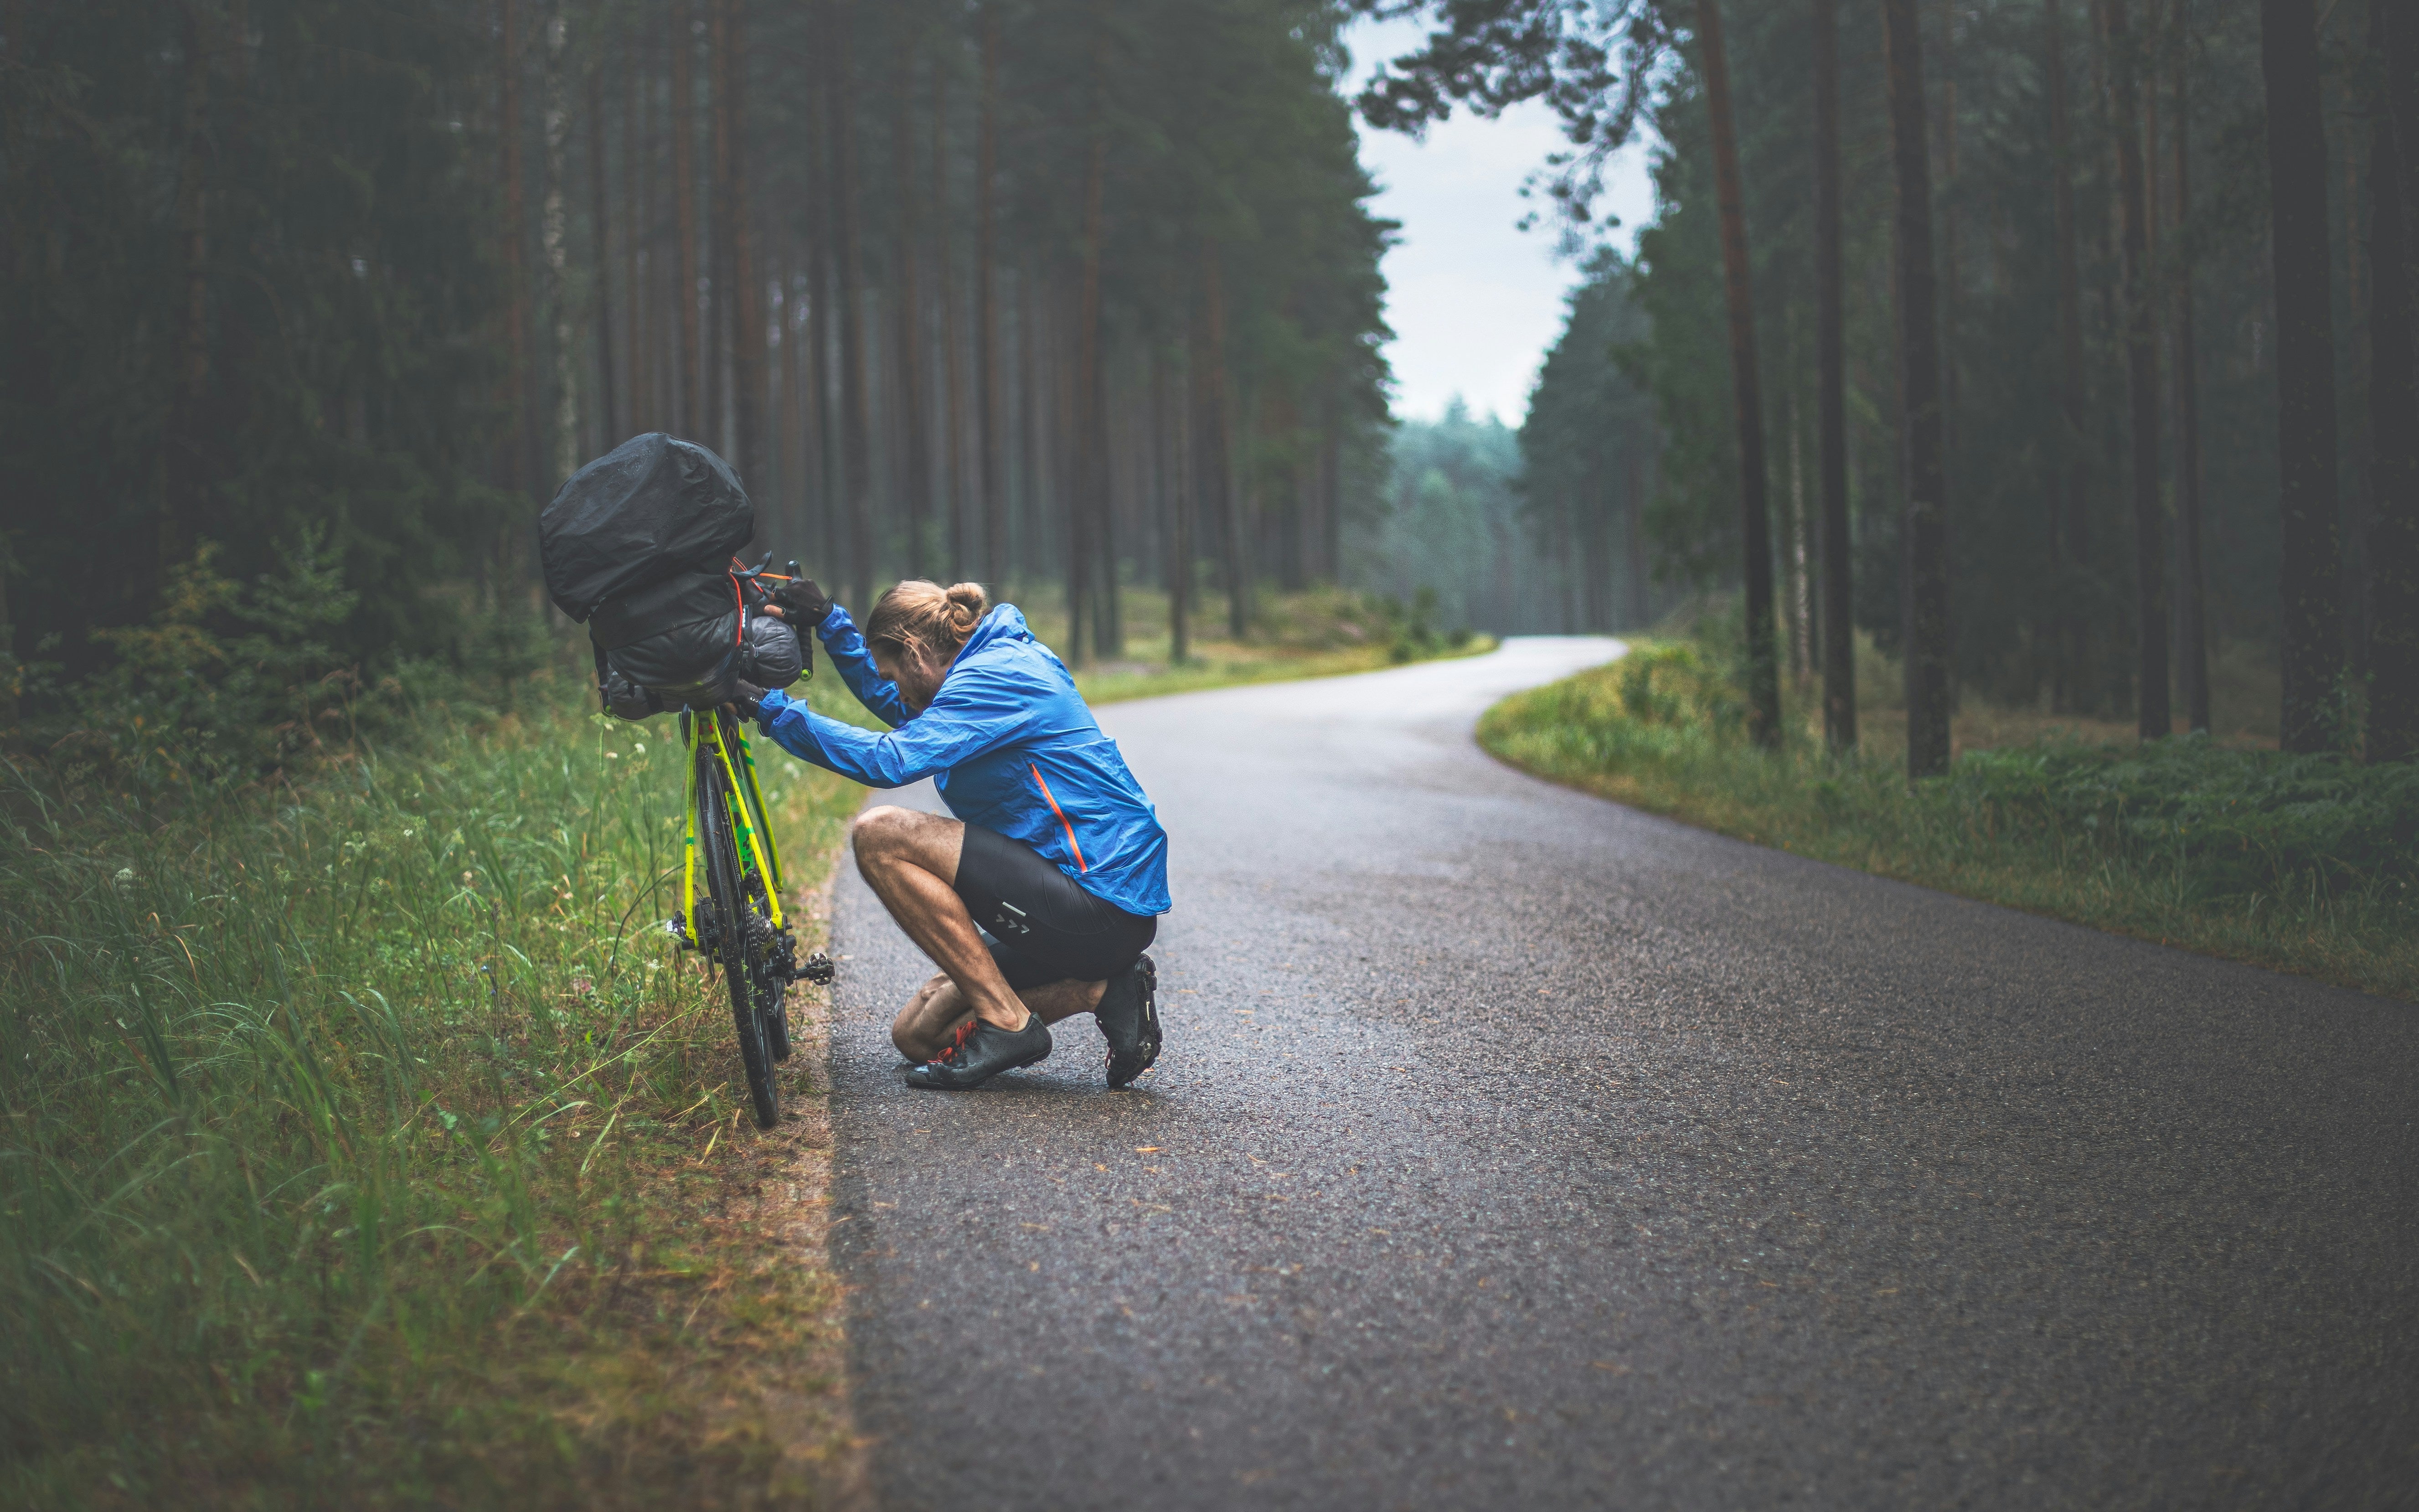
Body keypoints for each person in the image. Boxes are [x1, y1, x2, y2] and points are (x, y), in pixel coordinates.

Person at [732, 576, 1168, 1091]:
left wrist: (769, 707)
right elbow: (905, 709)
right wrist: (831, 622)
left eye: (895, 673)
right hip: (1071, 907)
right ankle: (1100, 988)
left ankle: (1008, 1020)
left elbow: (890, 758)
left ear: (916, 651)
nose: (896, 689)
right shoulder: (979, 673)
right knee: (918, 1036)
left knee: (881, 833)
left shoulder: (1000, 676)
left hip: (1098, 903)